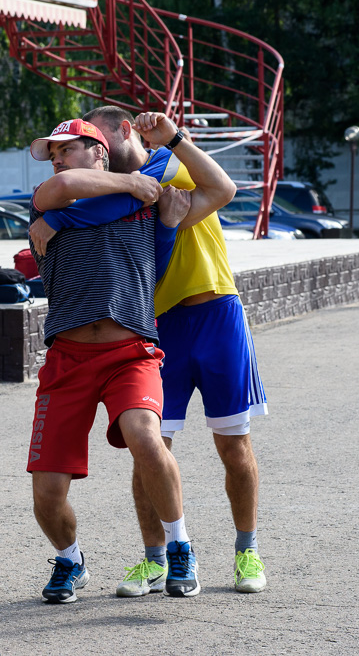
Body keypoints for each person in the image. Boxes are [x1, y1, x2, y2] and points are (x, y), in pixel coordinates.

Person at [25, 116, 233, 604]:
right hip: (68, 358)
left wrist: (173, 146)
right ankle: (71, 560)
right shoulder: (50, 209)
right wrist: (139, 183)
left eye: (67, 148)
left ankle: (180, 547)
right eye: (51, 153)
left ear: (100, 149)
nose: (57, 158)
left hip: (129, 351)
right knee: (46, 495)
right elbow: (66, 184)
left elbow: (220, 189)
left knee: (145, 435)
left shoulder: (151, 210)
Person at [80, 106, 270, 596]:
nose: (96, 153)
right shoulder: (112, 194)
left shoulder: (171, 166)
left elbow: (224, 189)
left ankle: (247, 551)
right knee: (149, 450)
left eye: (100, 140)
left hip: (217, 315)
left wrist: (175, 137)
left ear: (124, 130)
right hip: (159, 328)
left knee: (233, 445)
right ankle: (154, 559)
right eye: (89, 148)